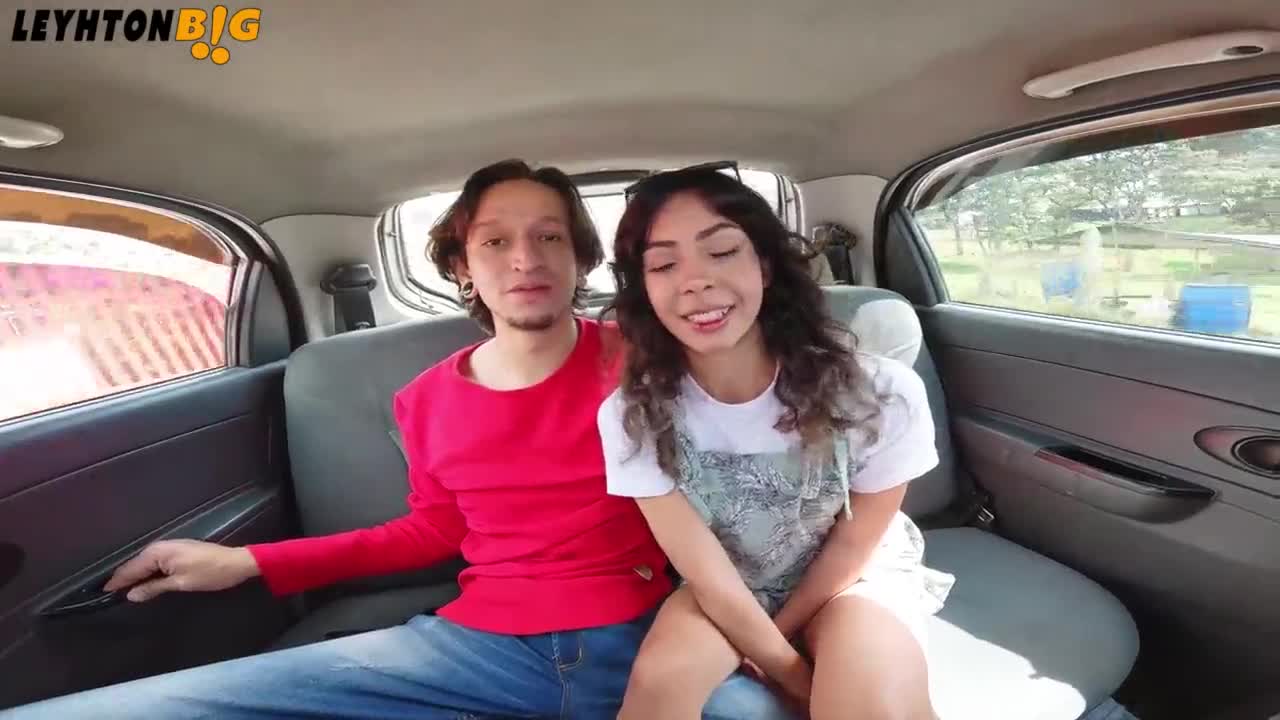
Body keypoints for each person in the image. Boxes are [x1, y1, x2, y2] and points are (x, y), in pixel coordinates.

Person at [1, 159, 793, 720]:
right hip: (475, 652)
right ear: (462, 265)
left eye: (551, 237)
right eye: (495, 241)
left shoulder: (651, 360)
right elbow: (432, 533)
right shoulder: (427, 400)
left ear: (581, 258)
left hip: (652, 637)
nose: (525, 259)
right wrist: (250, 561)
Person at [595, 165, 956, 720]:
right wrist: (790, 672)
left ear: (764, 265)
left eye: (721, 252)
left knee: (871, 700)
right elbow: (705, 572)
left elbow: (854, 547)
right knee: (659, 687)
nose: (695, 281)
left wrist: (783, 638)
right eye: (664, 265)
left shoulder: (881, 393)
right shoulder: (633, 415)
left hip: (854, 576)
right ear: (644, 288)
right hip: (728, 582)